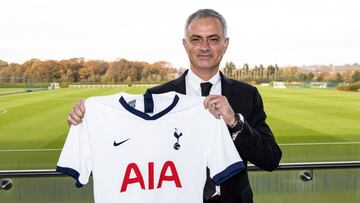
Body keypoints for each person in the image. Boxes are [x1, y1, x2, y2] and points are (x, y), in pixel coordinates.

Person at [67, 9, 282, 203]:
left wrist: (234, 122)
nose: (204, 47)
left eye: (213, 39)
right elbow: (131, 151)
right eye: (196, 39)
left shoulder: (246, 95)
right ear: (185, 44)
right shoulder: (157, 96)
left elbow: (270, 158)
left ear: (225, 44)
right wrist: (86, 122)